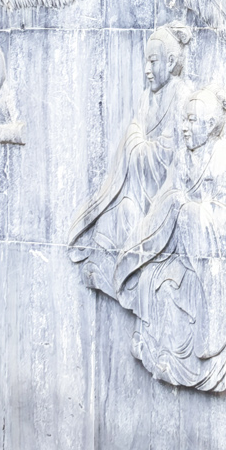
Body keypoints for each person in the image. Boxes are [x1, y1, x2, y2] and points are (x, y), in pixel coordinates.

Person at [108, 84, 226, 393]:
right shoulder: (182, 157)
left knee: (181, 283)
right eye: (184, 119)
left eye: (192, 120)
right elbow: (164, 201)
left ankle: (205, 355)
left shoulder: (223, 158)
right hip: (181, 247)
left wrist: (190, 211)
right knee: (155, 281)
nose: (185, 127)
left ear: (209, 125)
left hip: (214, 258)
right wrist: (171, 211)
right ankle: (166, 357)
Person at [71, 22, 195, 288]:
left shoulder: (181, 94)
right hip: (136, 188)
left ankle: (128, 282)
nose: (147, 70)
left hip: (159, 193)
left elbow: (168, 152)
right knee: (111, 219)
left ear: (170, 62)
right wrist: (135, 142)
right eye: (146, 62)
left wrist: (136, 145)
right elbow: (134, 132)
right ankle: (109, 275)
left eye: (153, 61)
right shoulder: (145, 97)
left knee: (131, 220)